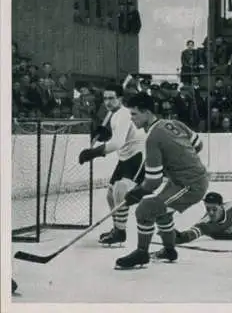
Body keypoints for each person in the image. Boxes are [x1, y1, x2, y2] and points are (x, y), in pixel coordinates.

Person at [115, 92, 208, 270]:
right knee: (162, 211)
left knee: (145, 209)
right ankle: (169, 250)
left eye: (134, 114)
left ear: (147, 112)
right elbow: (198, 144)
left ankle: (142, 253)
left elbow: (153, 181)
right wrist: (181, 162)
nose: (132, 119)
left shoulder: (152, 137)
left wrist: (136, 193)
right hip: (184, 180)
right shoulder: (172, 123)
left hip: (190, 185)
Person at [78, 84, 146, 245]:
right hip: (125, 157)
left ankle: (120, 233)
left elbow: (117, 143)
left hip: (137, 157)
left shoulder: (124, 114)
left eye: (111, 98)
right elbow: (117, 137)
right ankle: (117, 227)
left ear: (120, 99)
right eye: (105, 98)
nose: (107, 102)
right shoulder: (115, 114)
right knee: (110, 195)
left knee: (120, 192)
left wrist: (93, 153)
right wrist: (104, 135)